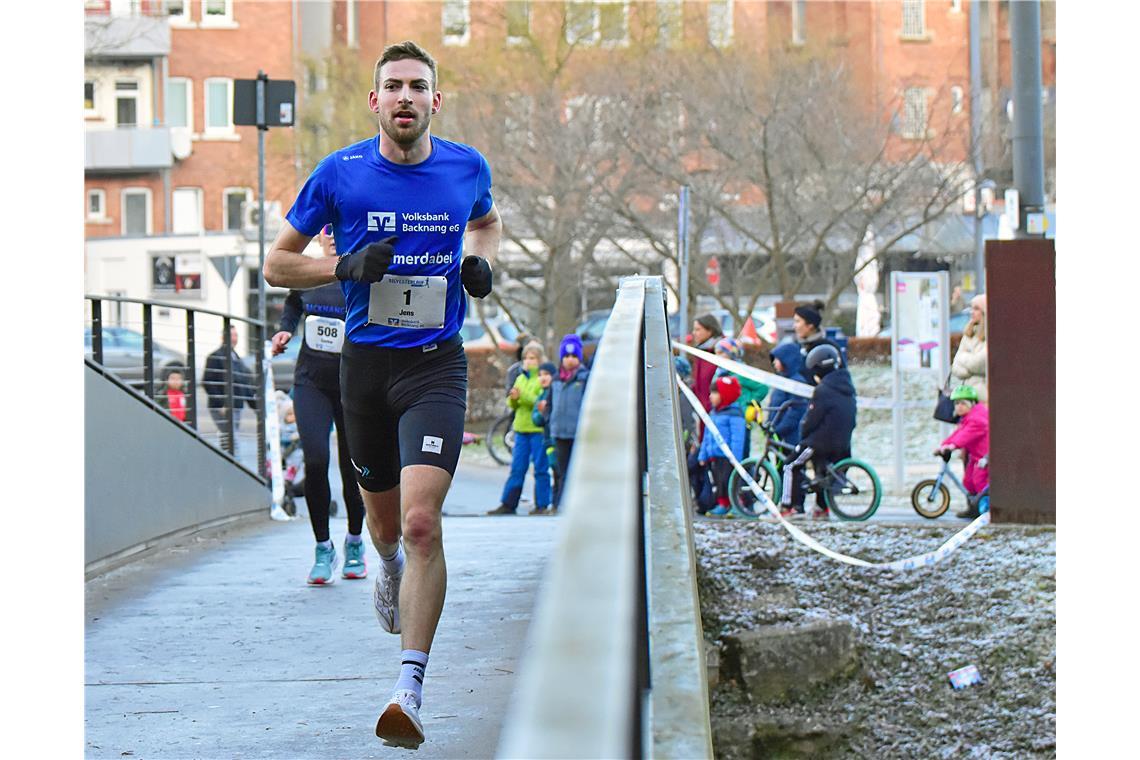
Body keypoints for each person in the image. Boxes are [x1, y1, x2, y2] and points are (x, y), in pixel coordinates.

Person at [262, 40, 500, 748]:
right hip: (363, 370)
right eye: (391, 86)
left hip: (435, 366)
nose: (404, 97)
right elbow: (277, 265)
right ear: (375, 100)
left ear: (435, 100)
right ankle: (387, 566)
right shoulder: (339, 174)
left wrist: (482, 264)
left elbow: (484, 221)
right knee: (390, 530)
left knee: (424, 524)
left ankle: (409, 690)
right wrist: (340, 264)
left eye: (416, 87)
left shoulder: (466, 167)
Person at [270, 225, 369, 585]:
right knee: (315, 459)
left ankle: (355, 542)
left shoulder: (359, 269)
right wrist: (285, 329)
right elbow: (294, 301)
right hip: (310, 379)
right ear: (319, 238)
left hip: (351, 383)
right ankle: (323, 547)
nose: (330, 236)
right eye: (325, 231)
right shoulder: (309, 271)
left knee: (351, 468)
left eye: (337, 231)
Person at [780, 344, 857, 519]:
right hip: (842, 442)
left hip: (819, 441)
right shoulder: (847, 388)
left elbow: (812, 419)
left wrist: (803, 435)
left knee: (790, 465)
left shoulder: (823, 390)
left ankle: (787, 507)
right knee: (822, 473)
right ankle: (822, 509)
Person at [488, 342, 552, 516]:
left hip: (537, 430)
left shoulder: (541, 379)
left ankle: (543, 504)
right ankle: (508, 503)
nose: (528, 361)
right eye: (526, 358)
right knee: (517, 468)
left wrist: (521, 396)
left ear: (539, 360)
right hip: (521, 428)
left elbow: (537, 400)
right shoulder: (520, 377)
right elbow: (512, 403)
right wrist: (514, 398)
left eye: (532, 358)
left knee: (540, 468)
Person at [548, 334, 590, 511]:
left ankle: (574, 504)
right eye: (566, 356)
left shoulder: (584, 378)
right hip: (559, 432)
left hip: (577, 432)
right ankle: (560, 503)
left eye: (574, 356)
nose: (570, 360)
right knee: (561, 470)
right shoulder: (556, 380)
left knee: (576, 470)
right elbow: (551, 404)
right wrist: (547, 420)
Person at [936, 384, 990, 519]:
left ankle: (984, 509)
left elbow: (965, 435)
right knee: (968, 481)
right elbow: (959, 433)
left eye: (963, 403)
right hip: (975, 456)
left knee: (979, 480)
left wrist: (953, 445)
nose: (958, 407)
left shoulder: (978, 419)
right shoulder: (968, 418)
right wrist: (945, 445)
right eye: (956, 404)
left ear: (972, 404)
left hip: (984, 456)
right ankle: (973, 508)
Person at [697, 375, 746, 517]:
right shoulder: (713, 414)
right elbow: (707, 435)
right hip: (715, 456)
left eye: (714, 393)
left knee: (729, 481)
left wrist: (735, 458)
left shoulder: (735, 415)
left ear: (725, 395)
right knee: (719, 482)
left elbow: (738, 438)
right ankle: (722, 504)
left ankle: (735, 504)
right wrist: (703, 454)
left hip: (728, 457)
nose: (710, 396)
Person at [712, 337, 768, 459]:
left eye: (722, 352)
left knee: (742, 452)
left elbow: (763, 388)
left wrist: (748, 401)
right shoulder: (718, 373)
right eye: (716, 353)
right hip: (722, 419)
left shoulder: (741, 372)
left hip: (740, 419)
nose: (718, 356)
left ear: (732, 353)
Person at [203, 324, 257, 450]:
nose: (234, 338)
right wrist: (221, 403)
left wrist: (255, 406)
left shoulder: (235, 357)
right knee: (232, 442)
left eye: (236, 335)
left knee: (228, 441)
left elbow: (244, 383)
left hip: (236, 406)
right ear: (223, 338)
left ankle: (226, 466)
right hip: (223, 407)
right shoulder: (215, 357)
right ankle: (234, 465)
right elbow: (208, 381)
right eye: (231, 335)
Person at [767, 342, 808, 451]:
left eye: (777, 359)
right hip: (779, 435)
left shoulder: (797, 382)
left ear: (787, 360)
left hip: (791, 436)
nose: (774, 362)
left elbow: (796, 410)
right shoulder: (782, 380)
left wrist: (779, 429)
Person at [792, 300, 845, 385]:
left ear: (810, 325)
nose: (794, 326)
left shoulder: (828, 348)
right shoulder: (796, 346)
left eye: (797, 321)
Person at [531, 361, 559, 510]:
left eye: (547, 374)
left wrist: (547, 409)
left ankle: (556, 503)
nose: (543, 378)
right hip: (547, 440)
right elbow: (536, 419)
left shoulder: (555, 391)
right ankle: (544, 504)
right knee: (545, 469)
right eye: (540, 375)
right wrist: (540, 412)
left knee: (558, 472)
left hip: (557, 438)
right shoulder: (541, 395)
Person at [950, 293, 988, 403]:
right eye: (971, 308)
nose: (972, 312)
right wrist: (967, 363)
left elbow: (979, 363)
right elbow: (955, 367)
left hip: (985, 395)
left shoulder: (991, 333)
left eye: (976, 308)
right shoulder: (969, 333)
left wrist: (963, 359)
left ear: (985, 311)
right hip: (968, 396)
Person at [687, 313, 723, 413]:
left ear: (710, 330)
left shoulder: (722, 351)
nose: (694, 333)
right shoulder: (700, 351)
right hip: (702, 409)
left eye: (698, 329)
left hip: (717, 411)